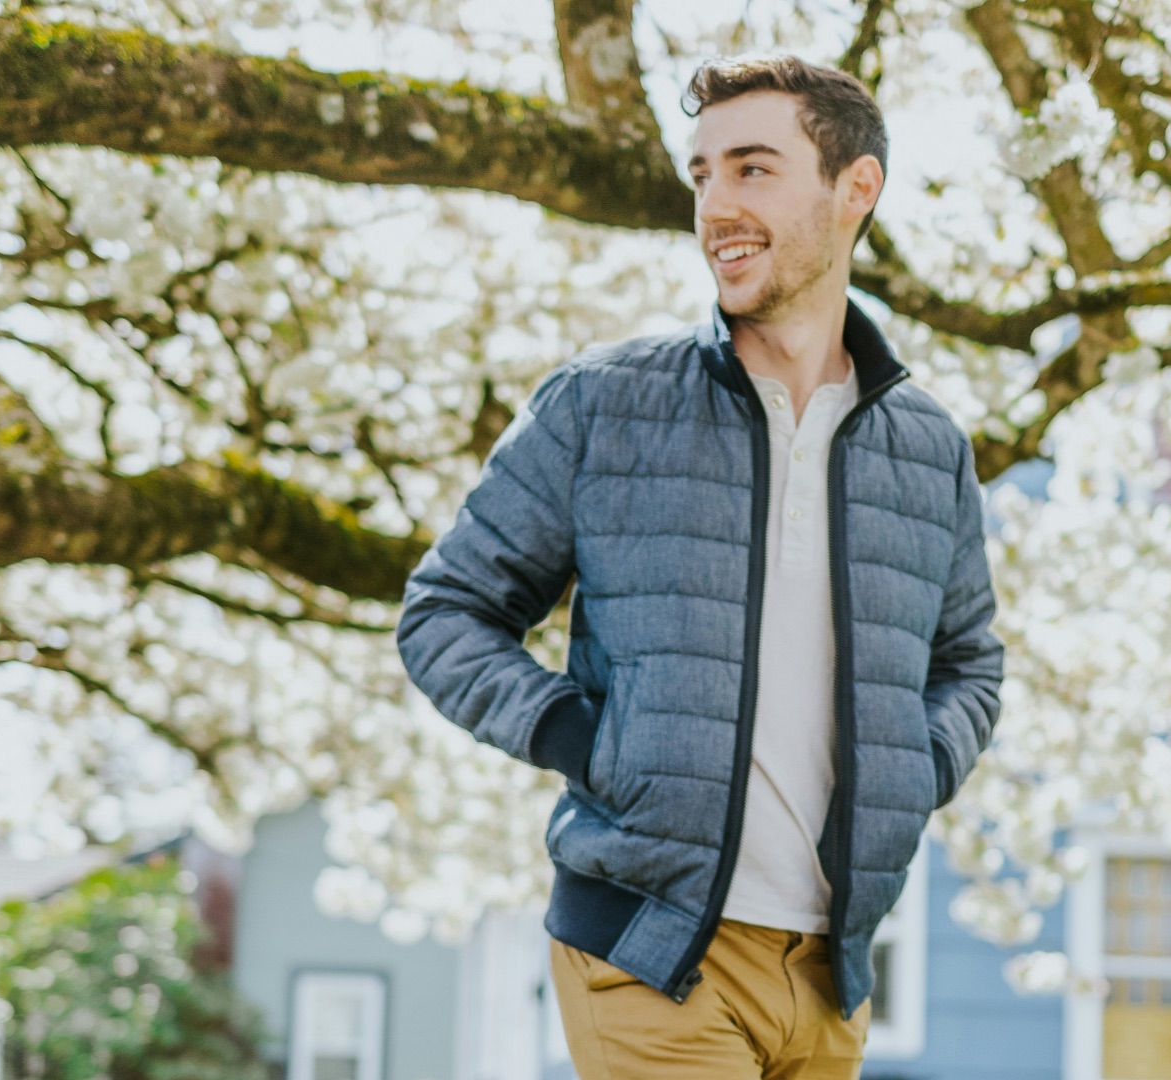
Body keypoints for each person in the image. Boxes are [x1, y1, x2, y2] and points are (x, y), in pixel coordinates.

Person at [396, 53, 1003, 1080]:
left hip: (832, 977)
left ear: (855, 187)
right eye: (702, 174)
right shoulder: (604, 406)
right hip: (652, 952)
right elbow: (446, 613)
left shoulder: (928, 448)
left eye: (753, 169)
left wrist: (917, 767)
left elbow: (970, 664)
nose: (716, 205)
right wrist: (587, 740)